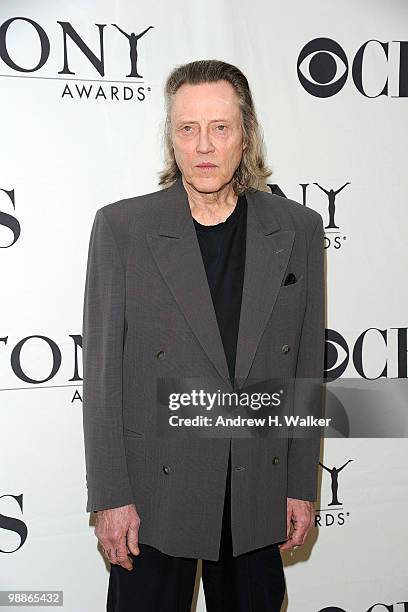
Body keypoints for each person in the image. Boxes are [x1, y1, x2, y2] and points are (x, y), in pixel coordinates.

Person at [82, 59, 326, 611]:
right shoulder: (123, 228)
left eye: (221, 127)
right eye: (187, 129)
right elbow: (101, 381)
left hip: (254, 491)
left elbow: (305, 367)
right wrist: (111, 497)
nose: (204, 146)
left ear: (247, 133)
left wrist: (299, 484)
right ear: (171, 138)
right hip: (153, 493)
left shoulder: (298, 230)